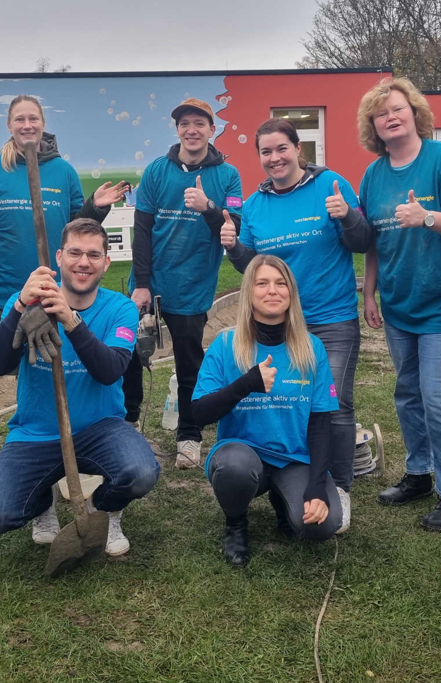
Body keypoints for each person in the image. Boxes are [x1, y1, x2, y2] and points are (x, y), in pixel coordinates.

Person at [0, 95, 128, 543]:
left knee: (62, 364)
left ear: (43, 124)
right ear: (9, 124)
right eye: (19, 118)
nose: (27, 124)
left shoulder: (62, 171)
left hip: (49, 290)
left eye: (33, 118)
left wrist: (95, 208)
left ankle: (104, 441)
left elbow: (77, 230)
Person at [0, 218, 160, 556]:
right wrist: (19, 308)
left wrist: (70, 321)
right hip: (36, 433)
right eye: (75, 252)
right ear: (59, 256)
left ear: (106, 261)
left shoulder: (119, 308)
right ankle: (42, 499)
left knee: (141, 472)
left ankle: (103, 511)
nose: (83, 262)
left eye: (93, 255)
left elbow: (110, 370)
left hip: (100, 429)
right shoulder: (27, 302)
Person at [222, 118, 372, 515]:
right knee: (288, 401)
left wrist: (348, 216)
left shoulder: (331, 185)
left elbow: (362, 241)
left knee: (333, 405)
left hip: (330, 318)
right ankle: (292, 476)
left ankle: (338, 488)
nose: (275, 158)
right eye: (266, 152)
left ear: (298, 149)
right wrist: (235, 247)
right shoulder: (254, 206)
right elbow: (253, 269)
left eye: (281, 149)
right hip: (278, 325)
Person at [355, 78, 441, 531]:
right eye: (380, 113)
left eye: (397, 109)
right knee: (408, 394)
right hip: (400, 306)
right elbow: (373, 240)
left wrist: (426, 217)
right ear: (374, 125)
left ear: (415, 112)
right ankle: (419, 473)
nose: (390, 117)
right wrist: (368, 292)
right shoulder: (373, 174)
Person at [193, 255, 348, 567]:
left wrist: (317, 486)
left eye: (280, 284)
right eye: (262, 283)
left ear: (291, 293)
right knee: (233, 468)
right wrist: (245, 383)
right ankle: (235, 523)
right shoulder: (225, 345)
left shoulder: (311, 347)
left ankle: (285, 500)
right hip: (244, 456)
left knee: (324, 525)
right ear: (249, 292)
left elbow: (321, 422)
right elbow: (198, 414)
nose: (272, 291)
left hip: (294, 459)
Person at [123, 97, 243, 468]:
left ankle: (189, 436)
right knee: (129, 354)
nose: (192, 130)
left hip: (193, 284)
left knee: (190, 361)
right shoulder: (158, 171)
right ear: (177, 130)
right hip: (150, 283)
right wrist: (141, 282)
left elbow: (233, 228)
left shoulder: (228, 175)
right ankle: (128, 424)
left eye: (199, 124)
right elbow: (141, 228)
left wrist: (209, 207)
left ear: (212, 129)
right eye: (184, 124)